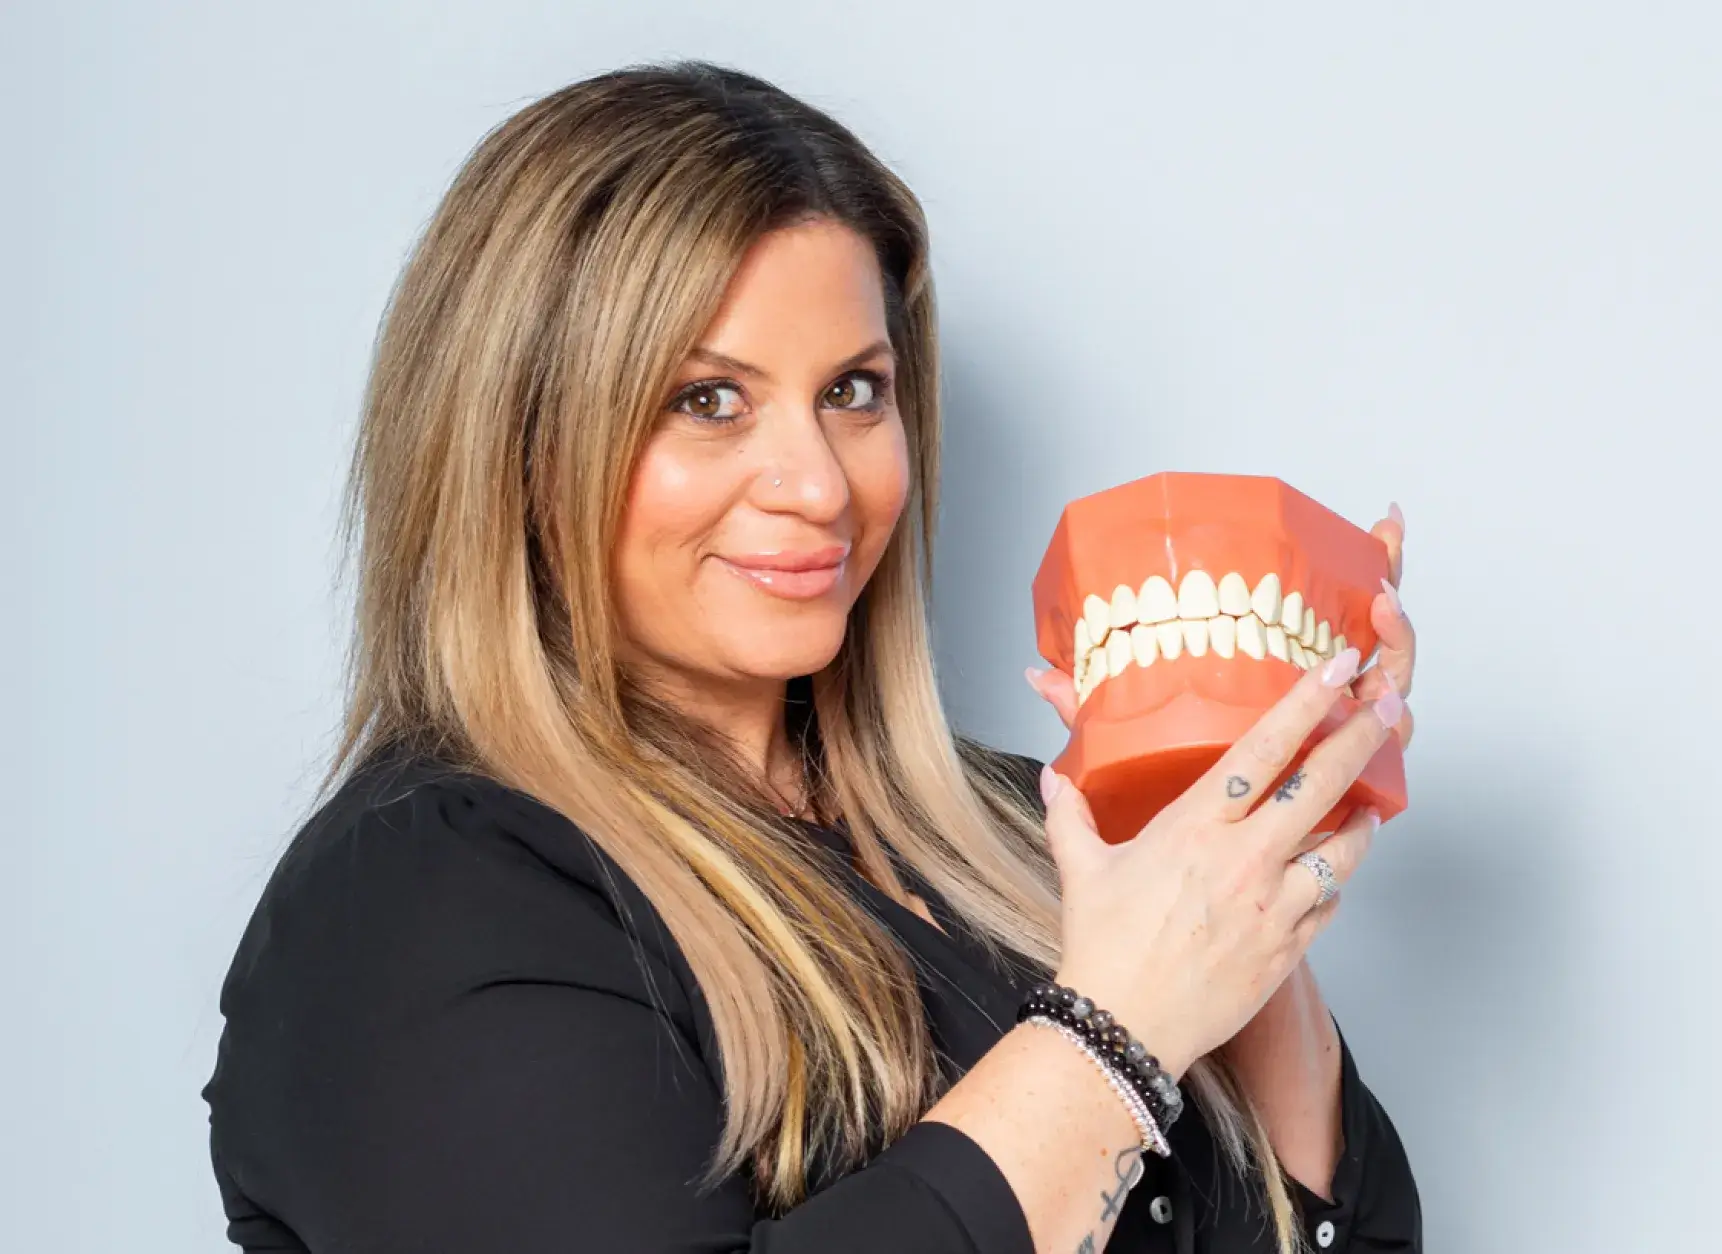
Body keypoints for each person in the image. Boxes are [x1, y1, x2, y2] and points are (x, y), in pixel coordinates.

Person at [201, 59, 1422, 1254]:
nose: (820, 485)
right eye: (709, 401)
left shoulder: (1016, 831)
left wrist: (1260, 863)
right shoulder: (415, 902)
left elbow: (1336, 1231)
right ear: (520, 444)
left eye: (853, 389)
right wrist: (1120, 1029)